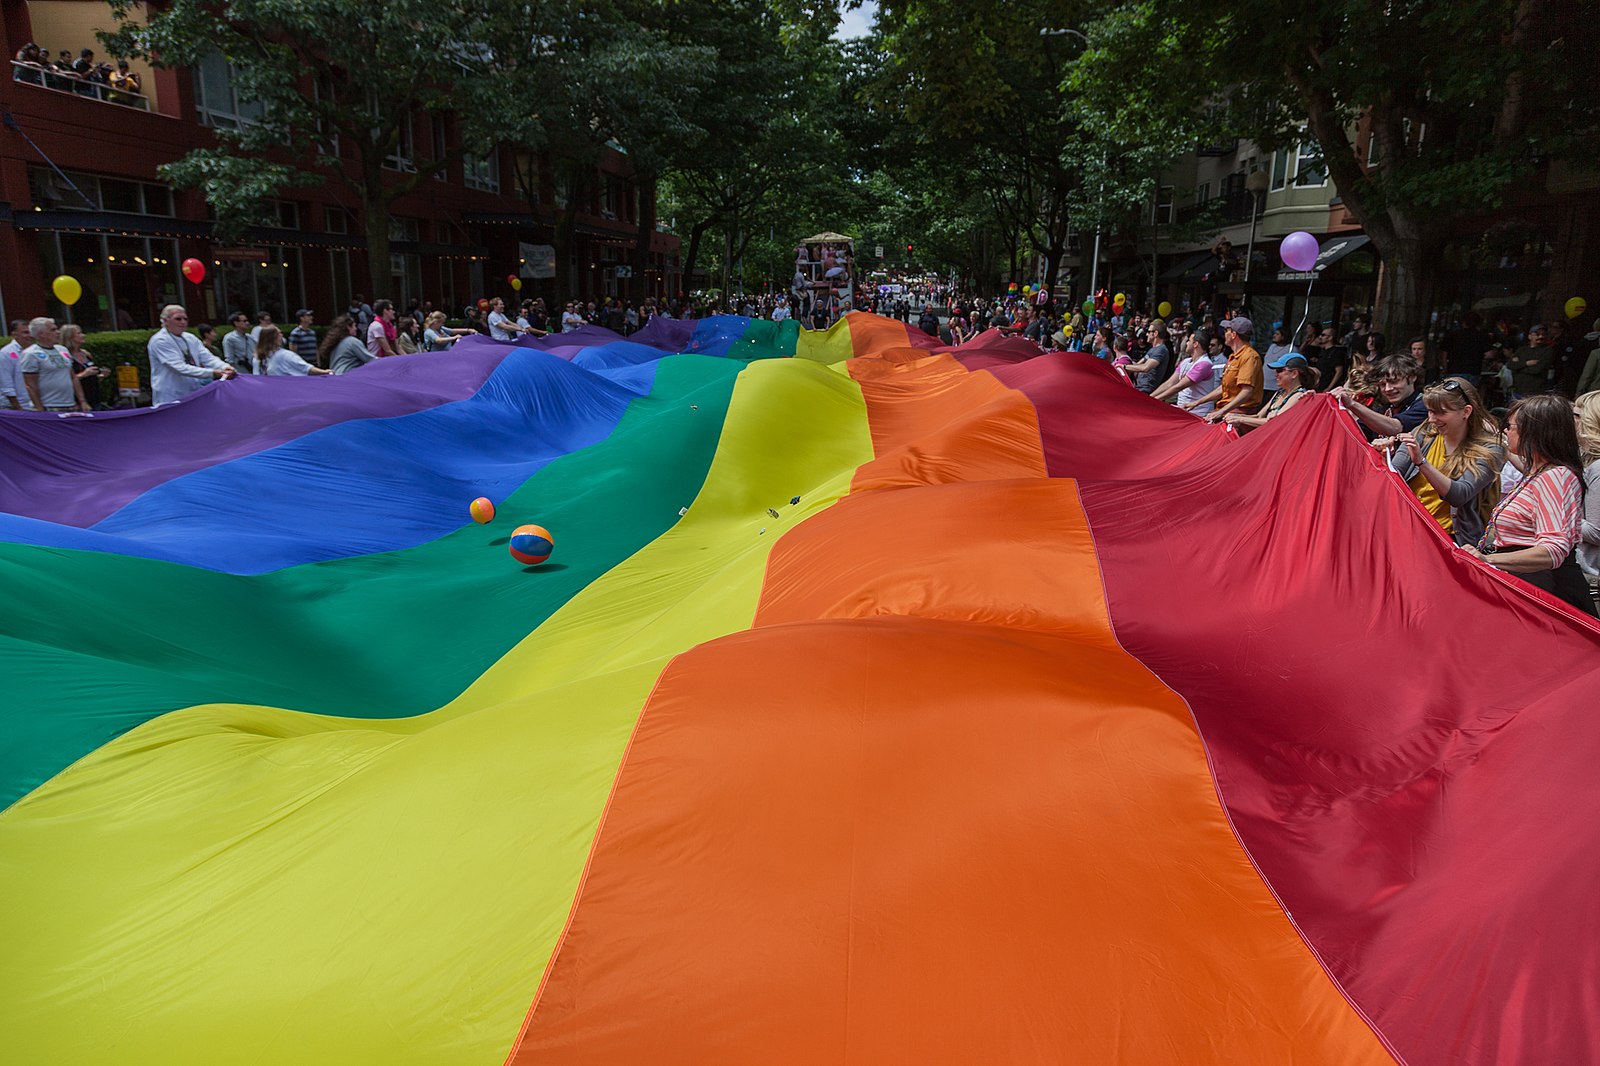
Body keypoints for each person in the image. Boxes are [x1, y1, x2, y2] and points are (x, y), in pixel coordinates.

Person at [1460, 394, 1594, 615]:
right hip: (1532, 585)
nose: (1505, 431)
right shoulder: (1540, 472)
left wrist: (1487, 559)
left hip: (1546, 591)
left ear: (1534, 433)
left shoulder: (1556, 477)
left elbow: (1553, 550)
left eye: (1511, 426)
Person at [1384, 377, 1505, 546]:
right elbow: (1391, 478)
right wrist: (1384, 458)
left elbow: (1459, 495)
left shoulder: (1491, 448)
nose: (1432, 419)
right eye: (1430, 411)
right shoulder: (1423, 434)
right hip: (1407, 529)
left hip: (1450, 541)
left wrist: (1421, 462)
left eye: (1441, 412)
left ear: (1466, 412)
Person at [147, 305, 234, 405]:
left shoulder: (190, 338)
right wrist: (213, 373)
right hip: (170, 395)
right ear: (165, 321)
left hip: (193, 392)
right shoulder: (160, 340)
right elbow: (179, 367)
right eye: (178, 319)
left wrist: (225, 367)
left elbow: (208, 358)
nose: (183, 322)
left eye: (185, 319)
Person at [1334, 354, 1428, 438]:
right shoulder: (1384, 409)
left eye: (1394, 382)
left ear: (1412, 378)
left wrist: (1351, 404)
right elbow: (1353, 431)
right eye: (1382, 384)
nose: (1388, 389)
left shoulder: (1425, 404)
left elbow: (1396, 427)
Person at [1224, 352, 1320, 430]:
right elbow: (1259, 416)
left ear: (1294, 373)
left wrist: (1240, 419)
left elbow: (1275, 422)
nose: (1276, 375)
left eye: (1279, 370)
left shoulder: (1298, 395)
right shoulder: (1279, 393)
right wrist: (1235, 416)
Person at [1200, 315, 1263, 423]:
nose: (1224, 333)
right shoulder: (1233, 357)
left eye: (1226, 330)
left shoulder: (1249, 357)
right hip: (1227, 412)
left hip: (1238, 416)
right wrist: (1197, 402)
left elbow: (1246, 392)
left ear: (1234, 335)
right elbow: (1223, 388)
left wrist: (1221, 412)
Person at [19, 318, 89, 413]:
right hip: (49, 405)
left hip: (70, 404)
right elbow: (30, 384)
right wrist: (39, 407)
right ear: (41, 334)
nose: (58, 332)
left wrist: (82, 401)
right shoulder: (31, 353)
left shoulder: (62, 350)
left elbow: (73, 377)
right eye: (53, 330)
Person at [1573, 392, 1600, 599]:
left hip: (1590, 578)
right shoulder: (1587, 460)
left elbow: (1597, 532)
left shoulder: (1598, 468)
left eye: (1576, 415)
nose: (1570, 420)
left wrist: (1557, 515)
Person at [1157, 332, 1221, 416]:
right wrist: (1150, 397)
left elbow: (1179, 386)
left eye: (1189, 341)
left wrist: (1156, 399)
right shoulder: (1185, 361)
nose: (1186, 343)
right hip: (1184, 410)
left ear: (1195, 344)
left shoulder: (1204, 364)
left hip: (1199, 414)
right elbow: (1170, 383)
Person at [60, 323, 110, 408]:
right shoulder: (64, 356)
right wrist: (84, 374)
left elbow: (91, 379)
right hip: (76, 401)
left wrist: (100, 376)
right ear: (70, 337)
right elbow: (64, 380)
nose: (83, 335)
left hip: (94, 398)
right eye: (79, 333)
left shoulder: (85, 354)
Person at [255, 325, 330, 376]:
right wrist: (324, 372)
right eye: (279, 334)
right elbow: (306, 368)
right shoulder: (285, 355)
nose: (281, 335)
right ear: (272, 338)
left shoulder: (256, 357)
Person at [1440, 311, 1491, 384]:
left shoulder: (1453, 335)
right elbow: (1489, 354)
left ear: (1463, 322)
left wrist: (1445, 368)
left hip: (1454, 370)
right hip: (1473, 371)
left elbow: (1443, 354)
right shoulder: (1482, 336)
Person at [1509, 324, 1553, 399]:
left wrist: (1518, 368)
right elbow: (1510, 365)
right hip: (1518, 390)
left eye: (1543, 334)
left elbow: (1537, 369)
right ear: (1530, 336)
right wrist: (1526, 363)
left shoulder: (1547, 351)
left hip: (1536, 392)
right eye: (1537, 334)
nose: (1541, 337)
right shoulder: (1521, 350)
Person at [1126, 323, 1172, 394]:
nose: (1146, 334)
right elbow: (1137, 364)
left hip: (1147, 391)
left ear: (1155, 333)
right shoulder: (1152, 349)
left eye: (1149, 331)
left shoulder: (1161, 350)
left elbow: (1145, 368)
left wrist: (1124, 366)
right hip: (1139, 388)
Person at [1, 319, 30, 410]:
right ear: (14, 334)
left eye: (30, 332)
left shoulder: (34, 351)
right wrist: (18, 407)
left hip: (32, 405)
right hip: (14, 407)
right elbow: (6, 384)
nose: (30, 335)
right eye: (25, 332)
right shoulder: (6, 353)